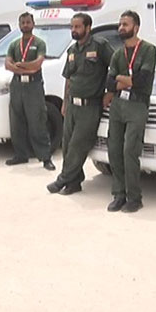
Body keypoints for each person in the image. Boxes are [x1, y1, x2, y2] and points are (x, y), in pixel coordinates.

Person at [47, 13, 113, 195]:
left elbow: (115, 68)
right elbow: (68, 79)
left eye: (77, 27)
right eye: (72, 27)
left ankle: (62, 179)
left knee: (78, 145)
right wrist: (64, 102)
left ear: (88, 27)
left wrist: (110, 93)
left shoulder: (99, 46)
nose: (74, 30)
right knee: (67, 144)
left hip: (90, 106)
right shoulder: (72, 50)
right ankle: (74, 183)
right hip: (72, 105)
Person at [105, 11, 156, 213]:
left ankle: (134, 197)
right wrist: (124, 81)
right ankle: (119, 194)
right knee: (114, 150)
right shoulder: (118, 53)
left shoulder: (148, 50)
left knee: (130, 151)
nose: (121, 28)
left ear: (136, 27)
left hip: (137, 105)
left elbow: (142, 81)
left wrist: (122, 80)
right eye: (120, 24)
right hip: (118, 105)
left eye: (125, 24)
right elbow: (109, 82)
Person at [5, 12, 55, 171]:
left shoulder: (39, 43)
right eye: (22, 22)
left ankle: (45, 158)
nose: (25, 25)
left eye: (28, 22)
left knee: (37, 121)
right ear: (19, 25)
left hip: (34, 87)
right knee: (16, 122)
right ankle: (21, 155)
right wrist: (23, 68)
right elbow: (7, 64)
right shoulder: (14, 45)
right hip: (17, 86)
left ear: (33, 24)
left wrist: (19, 65)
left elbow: (37, 65)